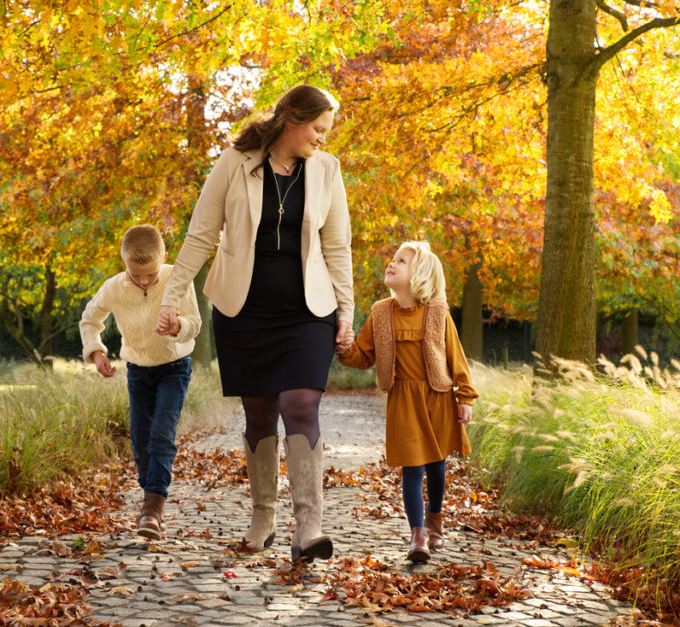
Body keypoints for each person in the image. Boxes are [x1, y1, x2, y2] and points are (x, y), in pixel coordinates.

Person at [156, 85, 354, 562]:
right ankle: (263, 516)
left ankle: (309, 527)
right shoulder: (233, 162)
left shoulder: (327, 170)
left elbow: (337, 246)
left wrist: (345, 311)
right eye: (319, 129)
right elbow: (201, 235)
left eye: (328, 132)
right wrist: (171, 297)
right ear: (292, 119)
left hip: (309, 312)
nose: (323, 140)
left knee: (301, 404)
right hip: (244, 313)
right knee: (260, 413)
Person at [336, 241, 477, 562]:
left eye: (401, 261)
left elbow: (457, 358)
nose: (391, 263)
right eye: (393, 259)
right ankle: (418, 536)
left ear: (421, 276)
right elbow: (363, 356)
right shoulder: (380, 313)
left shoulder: (438, 312)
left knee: (437, 466)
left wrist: (464, 396)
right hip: (403, 400)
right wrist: (345, 347)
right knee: (412, 470)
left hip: (437, 398)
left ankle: (435, 520)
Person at [80, 224, 201, 540]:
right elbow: (90, 320)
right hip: (137, 370)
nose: (145, 280)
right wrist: (96, 352)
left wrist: (178, 326)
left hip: (174, 368)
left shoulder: (177, 280)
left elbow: (196, 324)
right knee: (140, 438)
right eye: (137, 275)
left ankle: (153, 507)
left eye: (151, 274)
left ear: (163, 258)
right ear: (125, 264)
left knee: (162, 433)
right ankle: (151, 496)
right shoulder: (113, 288)